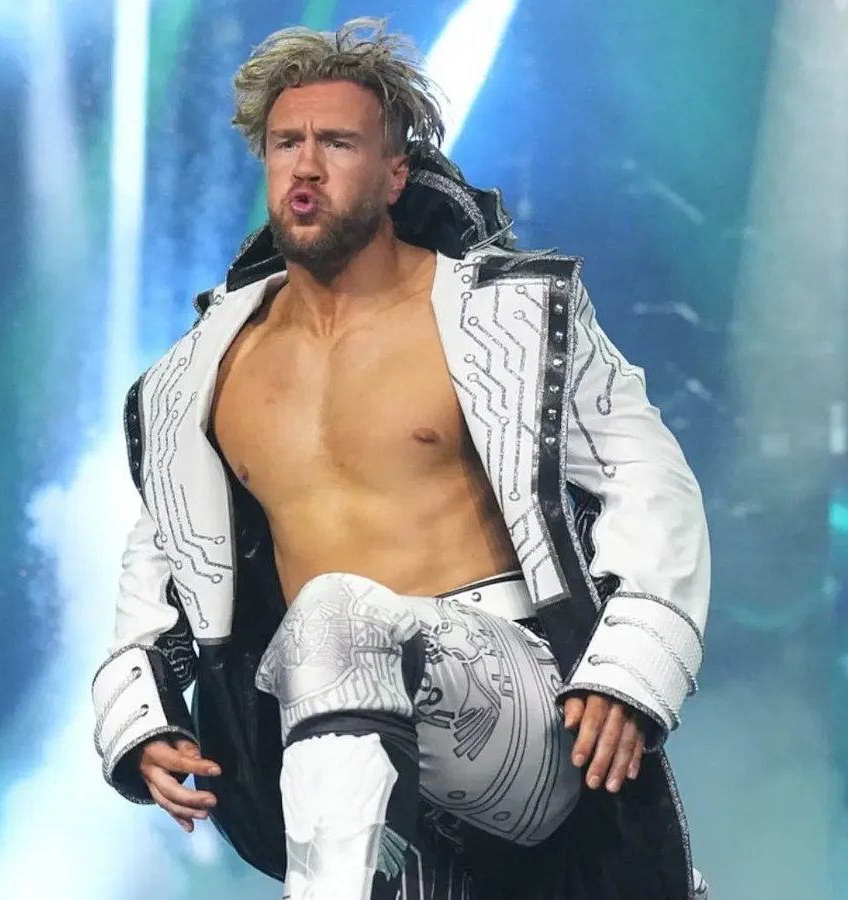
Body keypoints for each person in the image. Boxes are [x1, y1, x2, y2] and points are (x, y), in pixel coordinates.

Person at [90, 17, 711, 900]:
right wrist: (143, 713)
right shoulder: (201, 373)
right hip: (330, 727)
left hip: (521, 700)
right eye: (287, 143)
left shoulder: (510, 318)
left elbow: (648, 477)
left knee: (339, 616)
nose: (306, 167)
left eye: (338, 143)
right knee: (330, 644)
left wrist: (630, 669)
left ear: (394, 174)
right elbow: (164, 550)